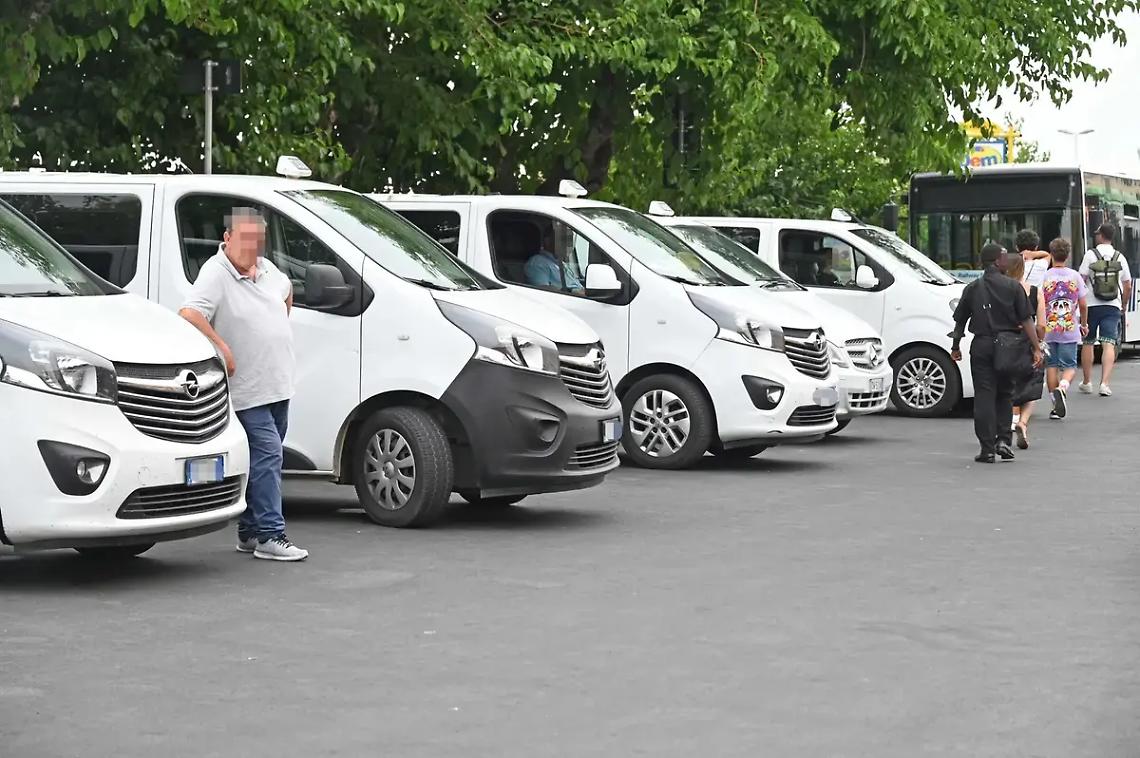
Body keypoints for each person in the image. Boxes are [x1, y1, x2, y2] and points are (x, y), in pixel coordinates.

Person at [179, 207, 309, 562]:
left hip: (278, 384)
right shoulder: (216, 273)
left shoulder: (267, 269)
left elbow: (285, 292)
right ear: (228, 238)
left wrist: (275, 324)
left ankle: (250, 532)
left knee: (262, 460)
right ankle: (271, 534)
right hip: (248, 390)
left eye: (258, 240)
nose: (253, 247)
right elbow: (190, 314)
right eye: (247, 239)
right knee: (269, 455)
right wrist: (222, 348)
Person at [951, 243, 1042, 464]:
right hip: (1009, 346)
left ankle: (987, 449)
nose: (1007, 260)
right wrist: (1036, 348)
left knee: (984, 396)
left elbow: (960, 320)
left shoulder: (973, 288)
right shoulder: (1013, 287)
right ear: (995, 261)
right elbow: (1026, 319)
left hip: (981, 346)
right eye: (1003, 257)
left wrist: (955, 346)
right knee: (1005, 394)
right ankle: (1003, 440)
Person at [1078, 223, 1132, 396]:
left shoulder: (1090, 255)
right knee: (1108, 342)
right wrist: (1123, 304)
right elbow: (1127, 285)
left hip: (1091, 305)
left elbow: (1081, 279)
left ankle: (1087, 382)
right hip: (1113, 305)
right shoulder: (1120, 257)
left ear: (1101, 235)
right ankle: (1105, 384)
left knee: (1088, 342)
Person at [1041, 237, 1089, 421]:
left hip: (1049, 328)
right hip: (1069, 327)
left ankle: (1055, 406)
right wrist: (1083, 324)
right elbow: (1083, 304)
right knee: (1069, 366)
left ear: (1051, 254)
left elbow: (1038, 301)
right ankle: (1063, 387)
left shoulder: (1044, 277)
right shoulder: (1075, 276)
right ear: (1067, 256)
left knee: (1051, 365)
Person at [1004, 253, 1046, 449]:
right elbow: (1041, 325)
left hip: (1004, 343)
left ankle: (1011, 420)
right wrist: (1039, 343)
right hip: (1028, 344)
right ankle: (1023, 422)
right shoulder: (1035, 291)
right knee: (1030, 387)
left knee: (1007, 385)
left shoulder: (1001, 290)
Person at [524, 227, 584, 294]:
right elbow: (543, 291)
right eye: (564, 239)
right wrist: (574, 292)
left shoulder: (561, 263)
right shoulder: (537, 262)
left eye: (571, 240)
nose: (569, 244)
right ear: (548, 241)